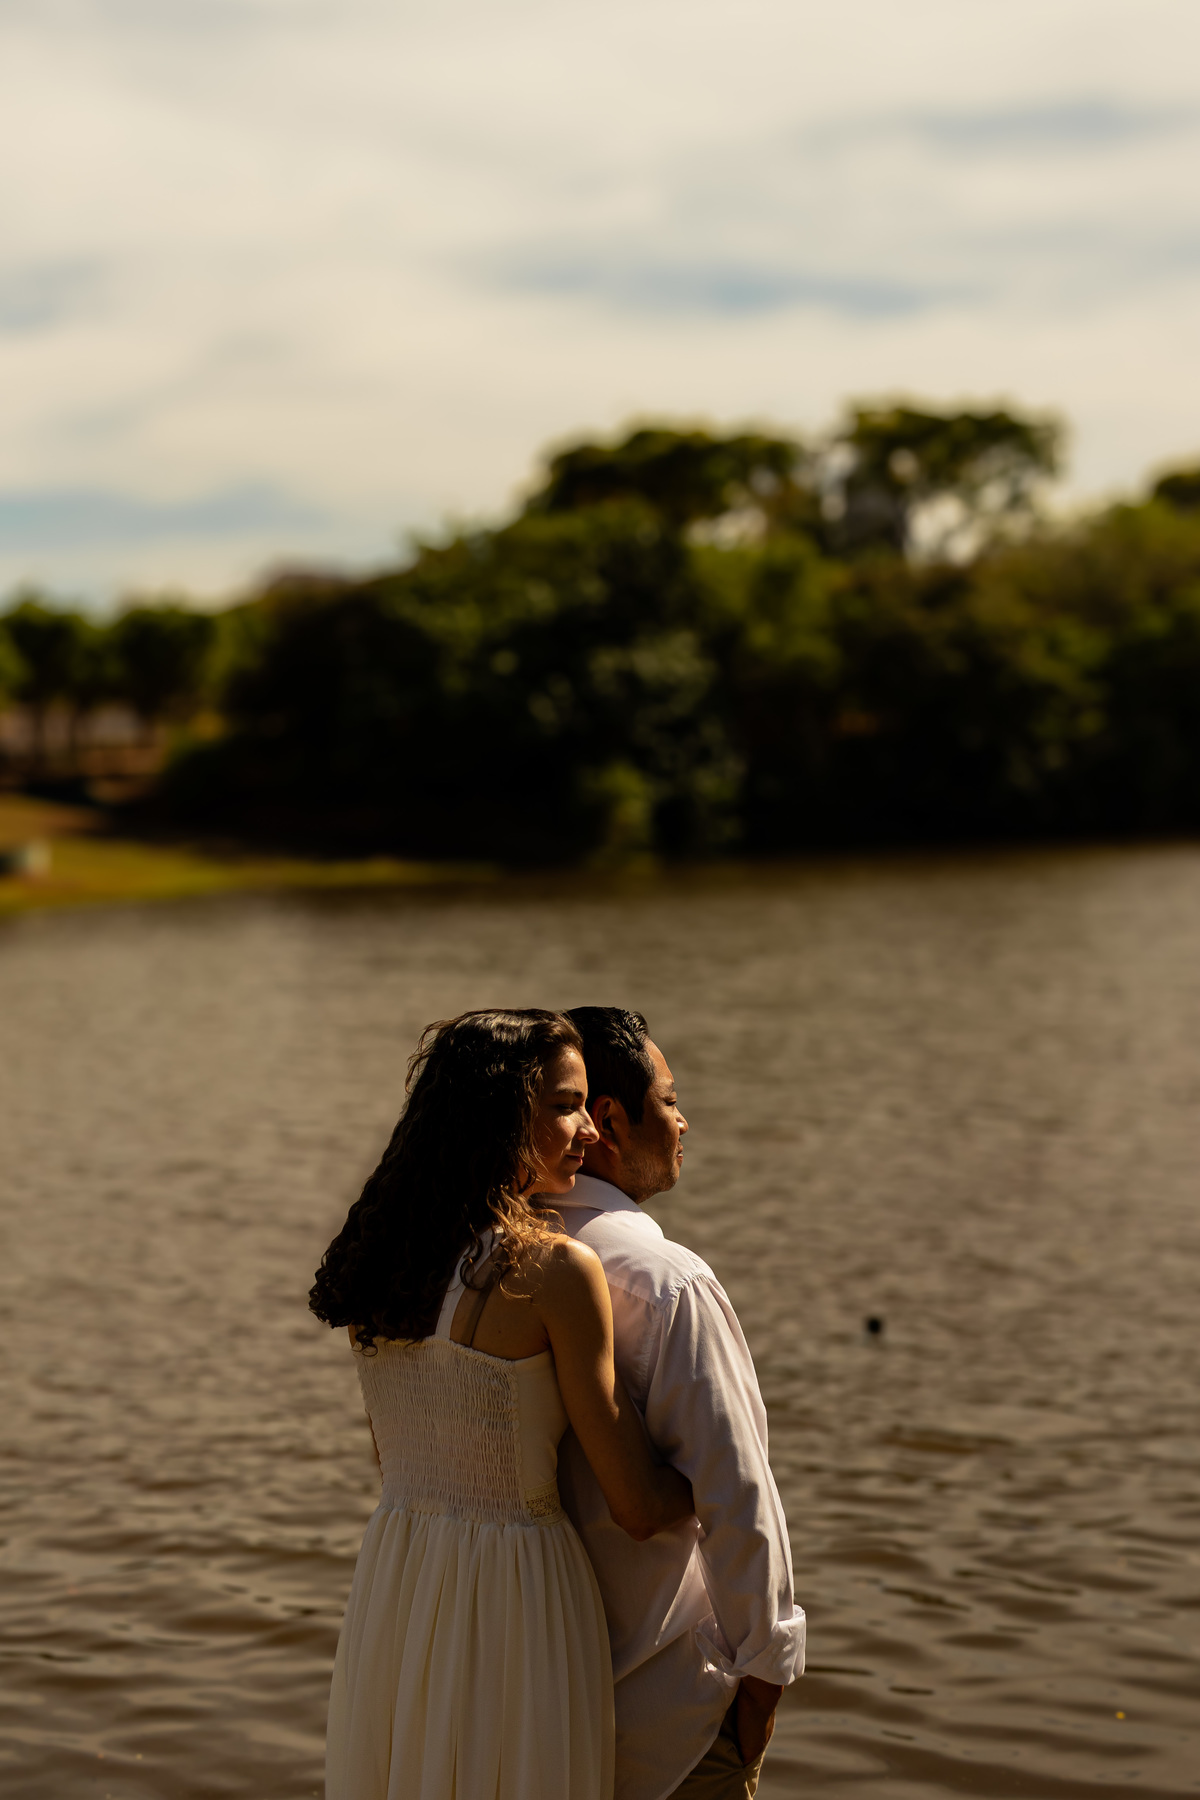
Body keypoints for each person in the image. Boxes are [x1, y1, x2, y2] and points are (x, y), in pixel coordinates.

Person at [310, 1008, 695, 1800]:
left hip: (400, 1578)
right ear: (497, 1117)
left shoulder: (383, 1262)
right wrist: (722, 1474)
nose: (590, 1129)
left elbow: (398, 1457)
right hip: (519, 1590)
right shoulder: (555, 1271)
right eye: (564, 1105)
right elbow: (638, 1505)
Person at [556, 1007, 805, 1800]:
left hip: (532, 1700)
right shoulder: (665, 1280)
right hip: (671, 1717)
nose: (684, 1119)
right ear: (610, 1120)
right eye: (670, 1100)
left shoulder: (490, 1257)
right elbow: (738, 1494)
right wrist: (764, 1679)